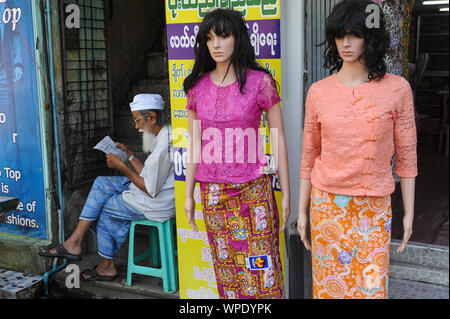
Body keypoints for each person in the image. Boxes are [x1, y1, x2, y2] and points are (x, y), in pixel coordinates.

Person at [297, 0, 417, 299]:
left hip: (373, 207)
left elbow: (407, 157)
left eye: (355, 34)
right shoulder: (319, 92)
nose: (346, 43)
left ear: (371, 37)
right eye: (339, 35)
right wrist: (301, 211)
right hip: (326, 206)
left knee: (371, 288)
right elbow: (309, 154)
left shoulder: (397, 89)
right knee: (329, 290)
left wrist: (409, 213)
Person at [183, 8, 290, 299]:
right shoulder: (197, 88)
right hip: (213, 195)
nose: (216, 44)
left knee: (262, 273)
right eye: (209, 38)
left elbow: (278, 139)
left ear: (238, 38)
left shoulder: (260, 83)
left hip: (253, 192)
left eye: (223, 36)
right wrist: (188, 195)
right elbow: (194, 144)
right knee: (228, 274)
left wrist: (287, 194)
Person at [39, 94, 175, 281]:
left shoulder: (163, 146)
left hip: (156, 202)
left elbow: (149, 188)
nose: (136, 127)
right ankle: (75, 241)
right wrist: (129, 154)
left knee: (106, 207)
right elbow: (150, 175)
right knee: (102, 183)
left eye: (137, 120)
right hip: (156, 192)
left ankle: (106, 265)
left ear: (152, 117)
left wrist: (122, 167)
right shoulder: (166, 134)